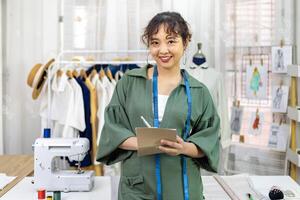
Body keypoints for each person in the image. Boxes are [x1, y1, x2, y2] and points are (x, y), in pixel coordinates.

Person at [96, 11, 220, 200]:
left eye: (171, 41)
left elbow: (209, 141)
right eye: (155, 42)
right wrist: (144, 142)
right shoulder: (129, 82)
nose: (163, 50)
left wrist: (183, 147)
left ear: (185, 43)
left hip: (182, 189)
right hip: (137, 190)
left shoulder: (199, 91)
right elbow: (112, 130)